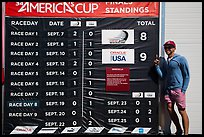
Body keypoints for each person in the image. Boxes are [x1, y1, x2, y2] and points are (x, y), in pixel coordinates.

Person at [154, 40, 190, 135]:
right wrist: (157, 67)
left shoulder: (181, 59)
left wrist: (183, 90)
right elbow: (163, 76)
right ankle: (179, 129)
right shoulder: (167, 61)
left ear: (174, 48)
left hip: (178, 90)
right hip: (168, 90)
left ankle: (186, 134)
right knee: (169, 108)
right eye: (166, 48)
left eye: (169, 47)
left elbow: (187, 75)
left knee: (182, 111)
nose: (167, 49)